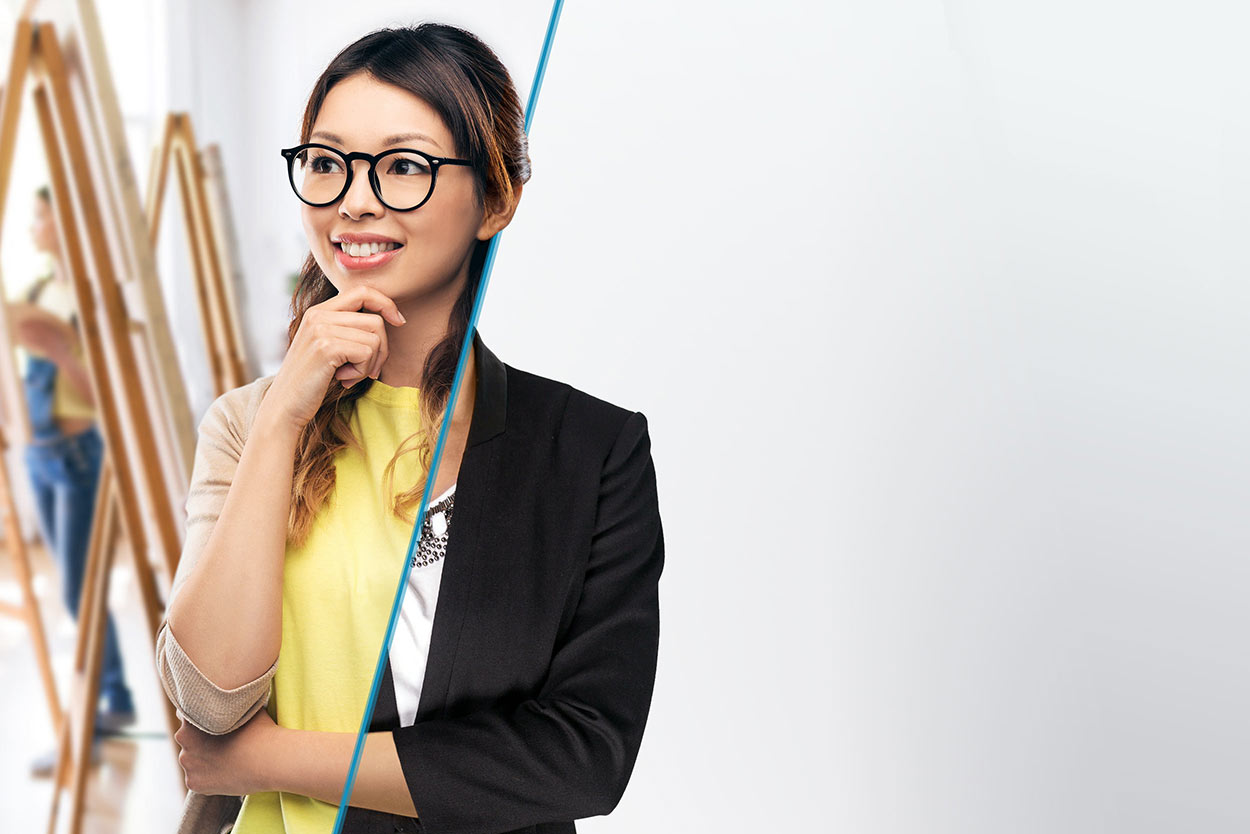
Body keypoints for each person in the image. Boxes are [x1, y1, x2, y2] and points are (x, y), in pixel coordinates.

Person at [154, 23, 664, 834]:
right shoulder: (248, 423)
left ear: (496, 201)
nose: (355, 199)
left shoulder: (589, 452)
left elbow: (584, 756)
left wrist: (268, 760)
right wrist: (286, 414)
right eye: (327, 163)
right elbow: (209, 700)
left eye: (403, 166)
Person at [12, 186, 137, 777]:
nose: (36, 225)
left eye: (44, 214)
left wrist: (64, 354)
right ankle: (114, 699)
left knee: (75, 593)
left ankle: (90, 721)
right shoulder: (37, 292)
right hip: (38, 452)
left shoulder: (90, 299)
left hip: (78, 453)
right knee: (72, 590)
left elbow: (105, 397)